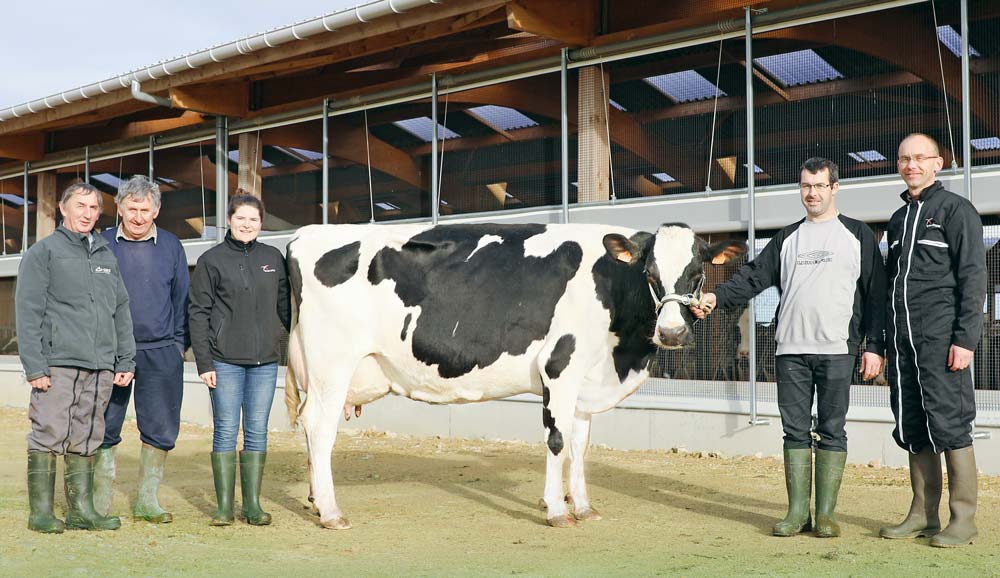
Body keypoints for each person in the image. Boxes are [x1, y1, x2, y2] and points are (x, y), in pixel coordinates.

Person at [694, 157, 885, 538]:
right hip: (790, 351)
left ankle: (826, 515)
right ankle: (797, 512)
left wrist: (874, 346)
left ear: (834, 188)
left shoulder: (857, 235)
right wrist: (716, 296)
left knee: (832, 430)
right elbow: (752, 278)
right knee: (794, 431)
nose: (811, 193)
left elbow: (875, 294)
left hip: (837, 348)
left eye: (819, 186)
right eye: (805, 186)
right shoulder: (786, 239)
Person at [878, 133, 987, 548]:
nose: (911, 165)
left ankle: (963, 519)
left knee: (950, 423)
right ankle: (923, 513)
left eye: (920, 158)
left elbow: (973, 279)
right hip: (903, 342)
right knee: (911, 424)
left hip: (943, 341)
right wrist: (884, 342)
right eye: (904, 158)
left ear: (938, 163)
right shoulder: (897, 219)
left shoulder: (957, 211)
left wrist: (966, 340)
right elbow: (892, 285)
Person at [16, 182, 136, 533]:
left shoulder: (105, 255)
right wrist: (35, 366)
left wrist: (125, 359)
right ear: (63, 209)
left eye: (94, 208)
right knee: (49, 432)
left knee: (88, 434)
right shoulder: (44, 253)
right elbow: (28, 311)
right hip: (58, 363)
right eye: (80, 206)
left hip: (100, 364)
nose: (87, 213)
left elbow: (121, 310)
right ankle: (40, 513)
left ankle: (81, 510)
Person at [90, 176, 190, 524]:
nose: (137, 216)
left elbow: (182, 300)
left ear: (156, 211)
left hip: (161, 351)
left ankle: (147, 500)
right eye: (131, 208)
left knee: (160, 426)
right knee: (104, 423)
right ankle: (100, 500)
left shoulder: (172, 246)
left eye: (144, 210)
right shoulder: (100, 245)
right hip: (110, 352)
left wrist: (178, 345)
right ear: (119, 208)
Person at [189, 193, 290, 526]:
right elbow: (198, 313)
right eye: (241, 218)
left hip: (264, 363)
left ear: (261, 223)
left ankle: (253, 506)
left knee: (258, 431)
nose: (247, 224)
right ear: (229, 220)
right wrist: (204, 362)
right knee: (226, 431)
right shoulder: (211, 260)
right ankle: (223, 508)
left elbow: (286, 310)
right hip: (224, 361)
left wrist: (289, 354)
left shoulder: (273, 258)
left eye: (254, 220)